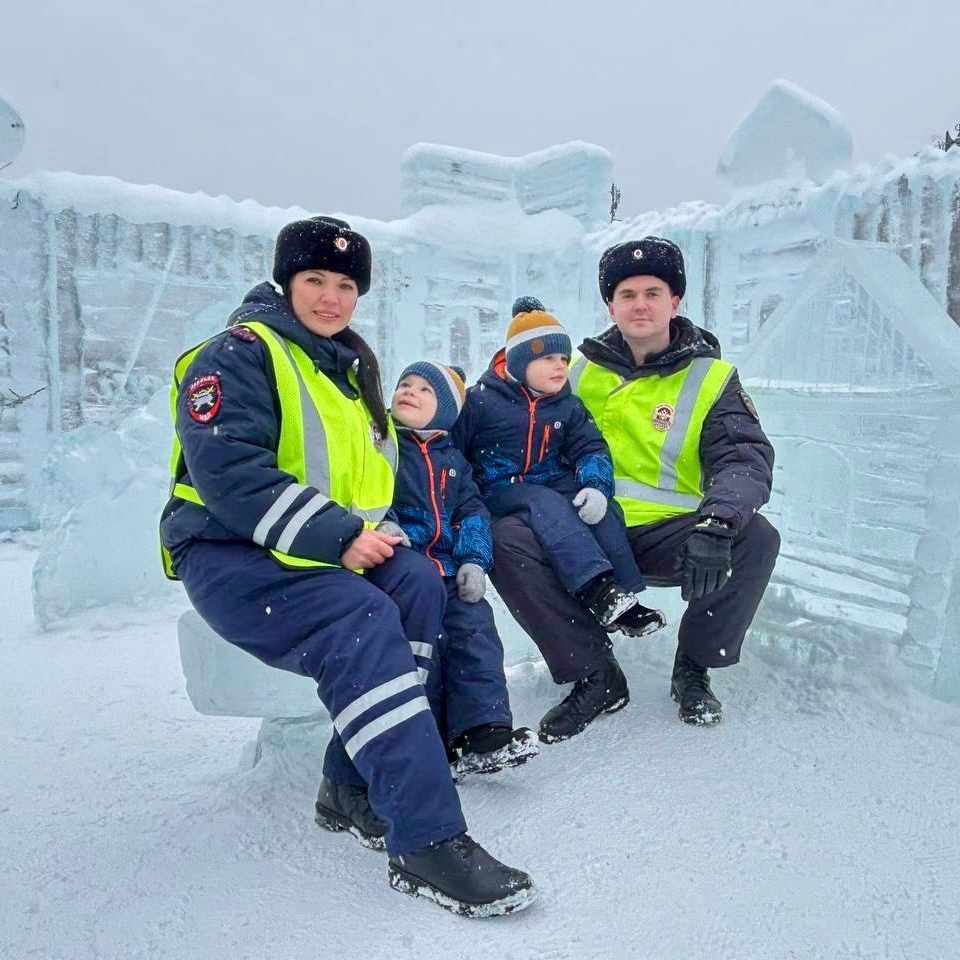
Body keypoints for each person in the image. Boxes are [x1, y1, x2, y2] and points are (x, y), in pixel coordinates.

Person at [159, 215, 535, 917]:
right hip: (231, 551)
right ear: (286, 282)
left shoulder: (346, 370)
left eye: (344, 285)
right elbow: (230, 475)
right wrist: (339, 538)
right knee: (359, 614)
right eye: (314, 281)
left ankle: (348, 785)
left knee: (421, 582)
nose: (330, 297)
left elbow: (373, 482)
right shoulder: (240, 354)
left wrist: (391, 534)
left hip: (309, 549)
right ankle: (425, 837)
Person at [490, 236, 779, 741]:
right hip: (582, 531)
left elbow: (744, 457)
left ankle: (693, 666)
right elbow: (512, 422)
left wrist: (719, 521)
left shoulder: (712, 379)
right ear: (610, 305)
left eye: (653, 292)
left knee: (757, 538)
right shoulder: (575, 371)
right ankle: (595, 673)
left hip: (668, 536)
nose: (640, 304)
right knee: (504, 536)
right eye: (627, 294)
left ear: (675, 301)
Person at [452, 300, 666, 646]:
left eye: (564, 359)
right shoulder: (481, 402)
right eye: (548, 359)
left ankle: (624, 597)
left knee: (602, 508)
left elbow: (591, 448)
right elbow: (453, 451)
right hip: (496, 485)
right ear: (521, 362)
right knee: (546, 502)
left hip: (549, 477)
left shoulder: (567, 405)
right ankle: (596, 588)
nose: (560, 367)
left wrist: (596, 486)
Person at [381, 359, 539, 778]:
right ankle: (429, 738)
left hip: (449, 571)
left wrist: (473, 560)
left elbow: (471, 511)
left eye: (424, 390)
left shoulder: (454, 462)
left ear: (446, 412)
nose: (409, 392)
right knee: (424, 648)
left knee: (476, 636)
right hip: (405, 572)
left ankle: (482, 732)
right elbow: (367, 492)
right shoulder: (383, 446)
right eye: (405, 384)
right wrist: (384, 524)